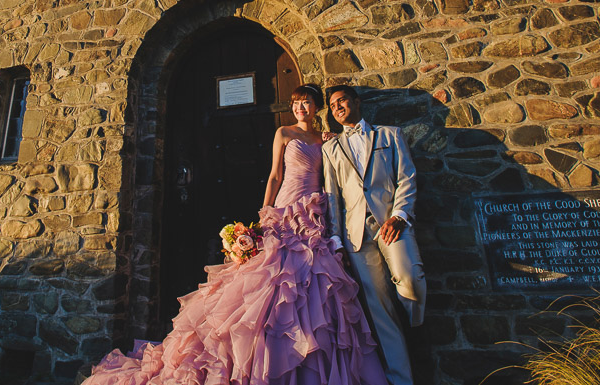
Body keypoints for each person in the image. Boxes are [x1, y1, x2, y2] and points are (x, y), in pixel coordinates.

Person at [82, 84, 389, 385]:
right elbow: (274, 176)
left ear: (317, 107)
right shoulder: (284, 133)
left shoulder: (326, 140)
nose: (300, 108)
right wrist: (263, 215)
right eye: (296, 103)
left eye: (307, 103)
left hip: (311, 211)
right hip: (284, 208)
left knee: (312, 280)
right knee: (268, 278)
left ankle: (304, 355)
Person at [322, 84, 427, 385]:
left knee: (410, 278)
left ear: (356, 102)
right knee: (380, 311)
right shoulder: (331, 148)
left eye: (342, 101)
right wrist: (336, 238)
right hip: (355, 235)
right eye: (332, 105)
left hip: (391, 223)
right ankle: (400, 378)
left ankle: (415, 322)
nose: (338, 107)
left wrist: (399, 216)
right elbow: (332, 197)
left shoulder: (390, 135)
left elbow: (407, 177)